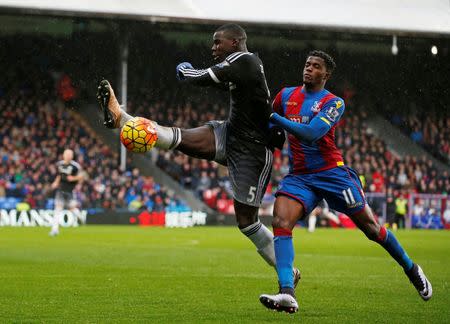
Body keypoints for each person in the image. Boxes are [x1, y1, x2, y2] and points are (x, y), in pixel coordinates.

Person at [96, 23, 300, 283]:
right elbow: (218, 82)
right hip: (229, 134)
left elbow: (202, 77)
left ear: (235, 42)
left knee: (247, 222)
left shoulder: (244, 60)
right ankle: (122, 118)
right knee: (177, 137)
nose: (214, 48)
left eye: (218, 42)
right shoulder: (242, 67)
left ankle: (288, 272)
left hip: (253, 151)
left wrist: (185, 71)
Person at [259, 50, 432, 313]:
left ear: (326, 74)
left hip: (333, 174)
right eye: (307, 64)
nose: (308, 69)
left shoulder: (334, 102)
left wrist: (276, 120)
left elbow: (312, 133)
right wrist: (272, 132)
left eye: (315, 66)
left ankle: (411, 268)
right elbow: (271, 128)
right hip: (300, 177)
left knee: (372, 229)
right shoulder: (286, 96)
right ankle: (287, 292)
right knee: (281, 221)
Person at [49, 149, 83, 236]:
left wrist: (73, 178)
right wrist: (56, 182)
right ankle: (55, 230)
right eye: (66, 154)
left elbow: (82, 176)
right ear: (63, 155)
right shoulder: (59, 164)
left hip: (70, 191)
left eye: (69, 154)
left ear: (72, 156)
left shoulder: (75, 166)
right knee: (57, 209)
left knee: (72, 208)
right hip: (61, 189)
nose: (68, 156)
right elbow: (59, 175)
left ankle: (79, 217)